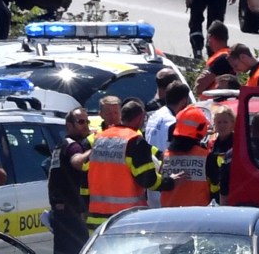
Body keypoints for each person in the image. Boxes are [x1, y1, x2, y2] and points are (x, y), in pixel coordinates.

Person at [86, 100, 184, 231]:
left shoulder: (100, 138)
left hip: (96, 221)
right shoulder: (135, 141)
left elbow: (84, 176)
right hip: (125, 219)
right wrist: (170, 181)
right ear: (141, 117)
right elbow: (148, 180)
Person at [46, 107, 92, 254]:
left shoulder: (61, 145)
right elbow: (78, 162)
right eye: (81, 122)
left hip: (63, 213)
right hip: (71, 215)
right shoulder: (72, 145)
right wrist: (96, 148)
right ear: (69, 125)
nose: (86, 126)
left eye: (87, 121)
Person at [160, 106, 219, 207]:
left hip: (168, 216)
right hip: (196, 217)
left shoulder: (166, 156)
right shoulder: (206, 157)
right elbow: (216, 187)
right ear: (201, 129)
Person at [144, 81, 191, 207]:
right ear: (184, 101)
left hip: (152, 181)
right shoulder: (173, 122)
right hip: (168, 183)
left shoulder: (154, 115)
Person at [194, 21, 235, 97]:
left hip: (213, 102)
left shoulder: (220, 59)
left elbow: (199, 86)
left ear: (210, 37)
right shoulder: (230, 55)